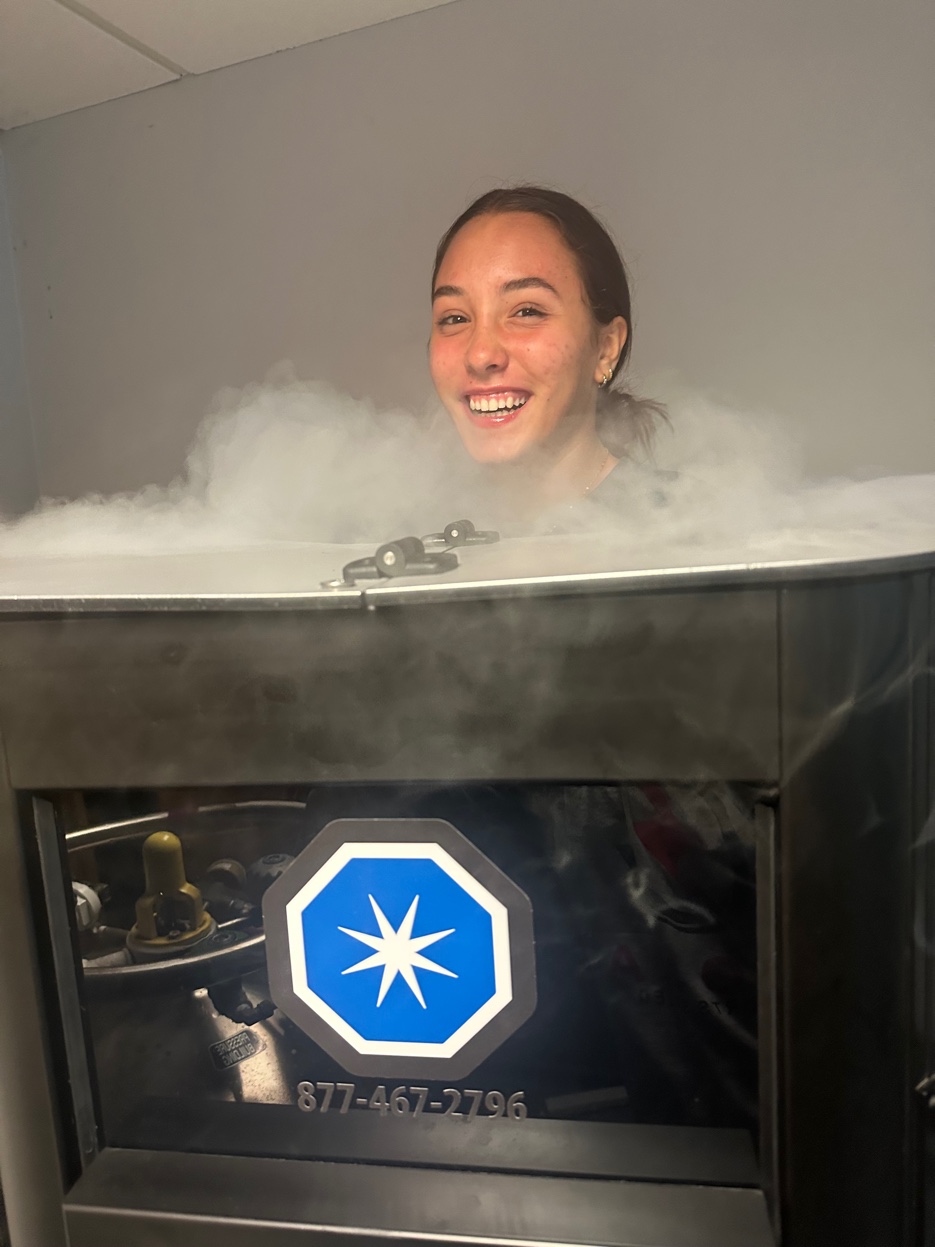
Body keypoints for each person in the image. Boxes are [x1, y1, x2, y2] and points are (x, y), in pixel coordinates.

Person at [429, 186, 666, 520]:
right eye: (455, 318)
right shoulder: (404, 533)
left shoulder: (692, 533)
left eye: (527, 312)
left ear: (606, 348)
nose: (480, 355)